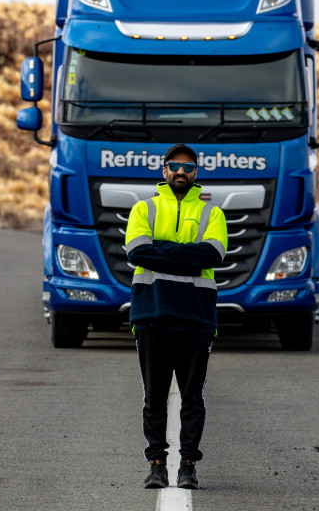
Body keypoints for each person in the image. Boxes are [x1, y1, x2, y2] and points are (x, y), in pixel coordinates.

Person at [125, 143, 228, 489]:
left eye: (188, 166)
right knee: (154, 398)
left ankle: (187, 467)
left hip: (197, 317)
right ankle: (157, 465)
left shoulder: (213, 213)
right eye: (174, 165)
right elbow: (137, 252)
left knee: (192, 399)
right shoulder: (144, 208)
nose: (181, 171)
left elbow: (213, 254)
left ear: (196, 172)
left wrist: (160, 248)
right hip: (152, 314)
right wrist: (187, 256)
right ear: (164, 170)